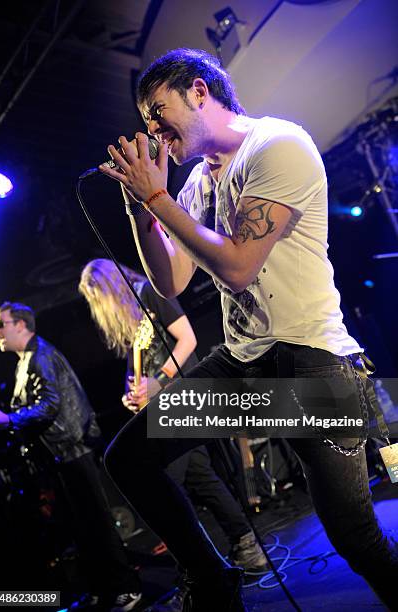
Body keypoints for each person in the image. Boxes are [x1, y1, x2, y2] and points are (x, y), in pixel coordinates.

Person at [96, 48, 397, 611]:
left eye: (158, 111)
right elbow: (170, 282)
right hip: (245, 365)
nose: (152, 129)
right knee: (129, 456)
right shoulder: (195, 184)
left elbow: (236, 266)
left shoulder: (278, 145)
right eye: (144, 120)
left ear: (200, 92)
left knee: (355, 538)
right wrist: (143, 209)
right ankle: (211, 578)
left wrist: (158, 198)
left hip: (313, 366)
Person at [79, 258, 268, 611]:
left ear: (104, 289)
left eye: (93, 296)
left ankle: (201, 572)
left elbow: (187, 339)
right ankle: (242, 549)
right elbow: (141, 367)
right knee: (198, 476)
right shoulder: (134, 322)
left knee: (167, 479)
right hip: (161, 403)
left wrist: (160, 381)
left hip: (182, 393)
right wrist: (132, 392)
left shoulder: (150, 293)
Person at [0, 302, 142, 612]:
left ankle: (127, 587)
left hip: (74, 450)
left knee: (97, 523)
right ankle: (105, 588)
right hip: (61, 455)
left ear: (21, 325)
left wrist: (7, 420)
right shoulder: (25, 360)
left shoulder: (41, 356)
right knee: (83, 528)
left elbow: (49, 405)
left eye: (1, 324)